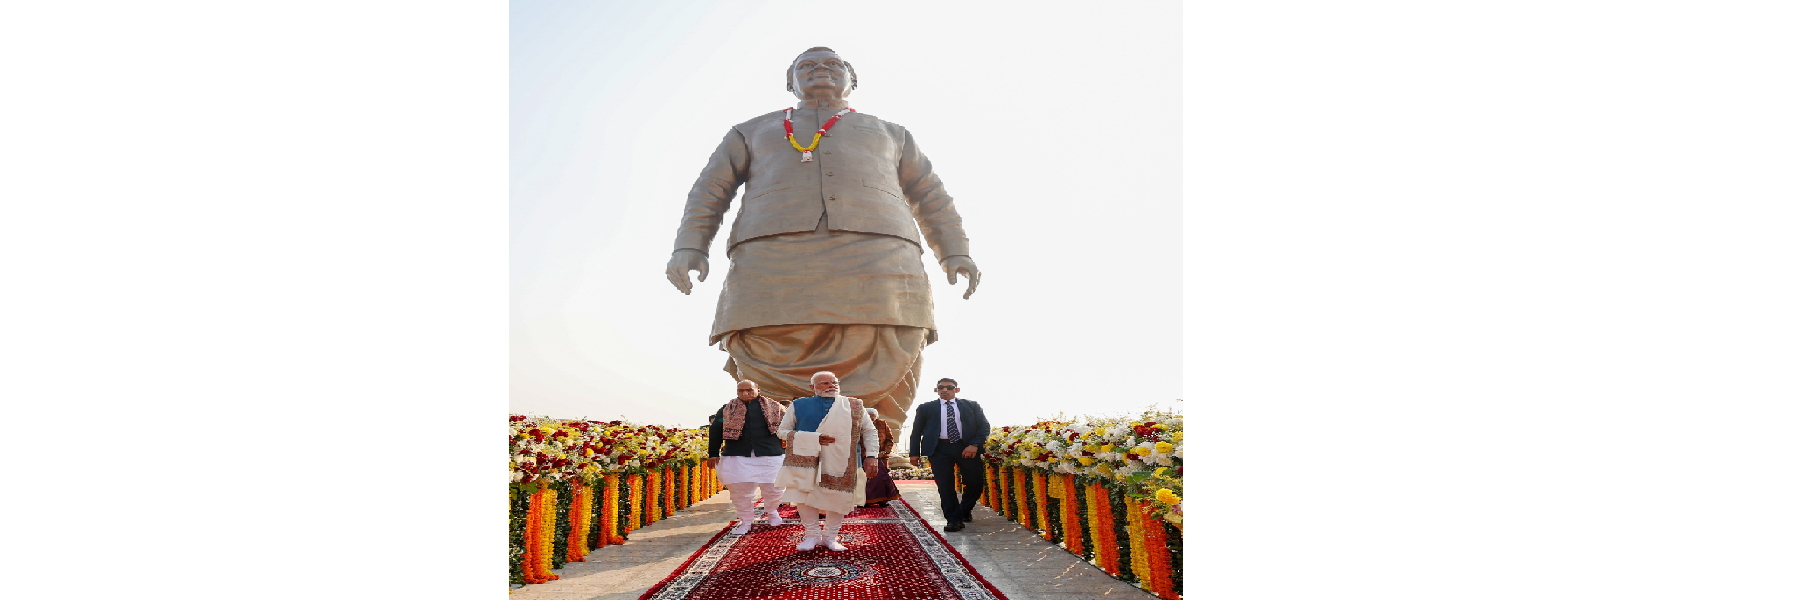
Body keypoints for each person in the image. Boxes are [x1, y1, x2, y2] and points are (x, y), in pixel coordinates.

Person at [665, 47, 982, 468]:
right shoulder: (750, 131)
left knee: (892, 334)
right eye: (806, 66)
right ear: (789, 83)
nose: (820, 70)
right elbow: (710, 190)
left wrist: (955, 250)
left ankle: (876, 449)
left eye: (832, 65)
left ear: (853, 79)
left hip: (880, 254)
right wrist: (690, 244)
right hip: (772, 256)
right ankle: (787, 446)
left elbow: (930, 195)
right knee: (764, 332)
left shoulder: (891, 133)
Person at [774, 371, 880, 551]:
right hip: (805, 459)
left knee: (838, 497)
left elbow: (869, 431)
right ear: (812, 387)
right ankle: (812, 536)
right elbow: (782, 431)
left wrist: (872, 456)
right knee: (804, 496)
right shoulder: (798, 405)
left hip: (845, 460)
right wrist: (812, 437)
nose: (831, 386)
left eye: (834, 382)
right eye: (824, 383)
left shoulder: (854, 405)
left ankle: (831, 537)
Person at [706, 380, 788, 535]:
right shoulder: (727, 409)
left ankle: (772, 512)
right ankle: (746, 521)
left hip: (770, 454)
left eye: (749, 390)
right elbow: (715, 431)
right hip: (737, 455)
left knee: (775, 489)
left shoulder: (776, 408)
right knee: (740, 491)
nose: (744, 393)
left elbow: (790, 428)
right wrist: (712, 454)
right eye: (740, 391)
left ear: (758, 389)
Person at [908, 378, 990, 532]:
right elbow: (917, 431)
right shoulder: (926, 408)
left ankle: (964, 509)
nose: (944, 390)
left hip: (966, 448)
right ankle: (954, 519)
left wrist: (974, 445)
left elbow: (984, 427)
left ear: (956, 390)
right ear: (936, 390)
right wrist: (914, 453)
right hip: (939, 450)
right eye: (941, 387)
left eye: (949, 387)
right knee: (945, 486)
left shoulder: (971, 406)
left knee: (975, 482)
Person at [860, 407, 901, 507]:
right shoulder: (860, 424)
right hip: (865, 456)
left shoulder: (882, 423)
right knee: (867, 479)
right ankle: (866, 501)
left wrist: (885, 452)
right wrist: (868, 454)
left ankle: (882, 500)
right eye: (869, 418)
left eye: (873, 418)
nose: (871, 420)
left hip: (882, 456)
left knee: (883, 479)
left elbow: (890, 440)